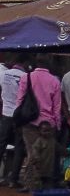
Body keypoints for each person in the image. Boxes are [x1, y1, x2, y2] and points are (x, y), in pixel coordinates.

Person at [17, 57, 63, 192]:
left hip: (30, 122)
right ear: (49, 65)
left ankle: (30, 183)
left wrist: (19, 119)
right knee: (47, 156)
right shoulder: (54, 80)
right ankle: (46, 182)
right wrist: (57, 124)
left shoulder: (26, 77)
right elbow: (57, 107)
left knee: (32, 154)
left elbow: (20, 99)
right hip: (48, 124)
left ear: (35, 64)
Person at [0, 52, 29, 186]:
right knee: (19, 147)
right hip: (19, 116)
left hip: (5, 114)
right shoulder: (25, 76)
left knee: (2, 144)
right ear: (24, 63)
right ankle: (14, 179)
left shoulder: (3, 74)